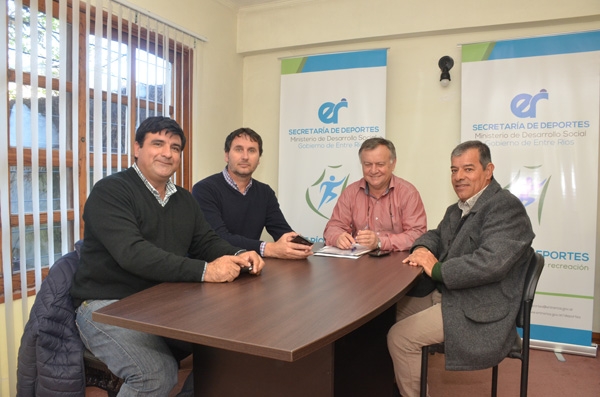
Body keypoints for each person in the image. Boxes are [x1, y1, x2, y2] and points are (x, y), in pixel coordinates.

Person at [70, 117, 264, 396]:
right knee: (155, 376)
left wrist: (238, 254)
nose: (167, 153)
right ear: (137, 148)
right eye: (157, 144)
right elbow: (133, 254)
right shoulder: (111, 191)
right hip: (105, 306)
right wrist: (206, 271)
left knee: (228, 342)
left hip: (160, 303)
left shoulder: (184, 199)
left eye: (175, 147)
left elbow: (206, 241)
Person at [386, 140, 535, 397]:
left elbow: (491, 262)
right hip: (454, 294)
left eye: (468, 169)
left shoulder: (505, 207)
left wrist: (437, 270)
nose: (458, 177)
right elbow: (436, 235)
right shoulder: (458, 209)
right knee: (387, 312)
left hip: (481, 306)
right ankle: (399, 382)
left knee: (400, 337)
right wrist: (421, 248)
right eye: (454, 170)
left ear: (488, 171)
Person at [192, 127, 313, 259]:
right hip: (212, 269)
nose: (245, 157)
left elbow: (281, 230)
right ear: (226, 155)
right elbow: (218, 238)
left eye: (252, 151)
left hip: (249, 267)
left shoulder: (265, 192)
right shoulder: (204, 190)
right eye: (238, 149)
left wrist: (296, 245)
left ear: (259, 159)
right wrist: (268, 248)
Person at [323, 137, 427, 252]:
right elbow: (333, 227)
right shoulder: (350, 192)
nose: (373, 170)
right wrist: (338, 237)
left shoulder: (408, 193)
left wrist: (380, 242)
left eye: (380, 164)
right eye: (367, 164)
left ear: (393, 164)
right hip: (359, 264)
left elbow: (417, 234)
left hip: (397, 263)